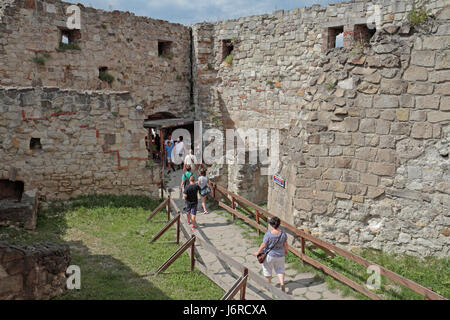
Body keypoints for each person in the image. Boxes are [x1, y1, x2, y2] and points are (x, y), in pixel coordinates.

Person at [253, 217, 288, 292]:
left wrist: (258, 252)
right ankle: (282, 284)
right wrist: (286, 251)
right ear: (279, 224)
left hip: (270, 255)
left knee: (267, 269)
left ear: (271, 225)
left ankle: (268, 284)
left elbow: (263, 245)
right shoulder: (283, 234)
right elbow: (285, 244)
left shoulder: (268, 234)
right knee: (280, 270)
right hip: (280, 256)